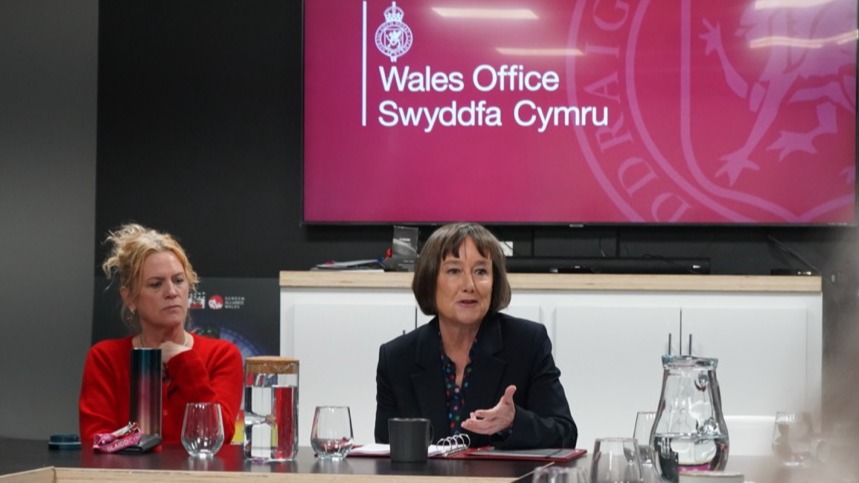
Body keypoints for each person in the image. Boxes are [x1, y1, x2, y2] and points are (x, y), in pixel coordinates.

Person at [374, 223, 577, 449]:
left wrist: (512, 422)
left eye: (481, 271)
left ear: (494, 282)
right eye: (454, 271)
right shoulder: (396, 358)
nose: (469, 285)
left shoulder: (527, 343)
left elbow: (565, 433)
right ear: (429, 281)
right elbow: (385, 453)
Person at [79, 223, 243, 444]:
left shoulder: (222, 355)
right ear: (129, 297)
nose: (172, 292)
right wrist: (148, 444)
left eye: (179, 281)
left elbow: (218, 435)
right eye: (156, 284)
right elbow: (98, 441)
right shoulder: (105, 358)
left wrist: (183, 361)